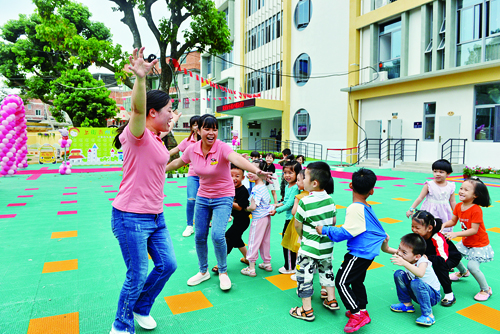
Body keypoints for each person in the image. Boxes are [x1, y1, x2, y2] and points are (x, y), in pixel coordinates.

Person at [109, 47, 177, 334]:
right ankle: (121, 326)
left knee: (167, 265)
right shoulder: (136, 134)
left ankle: (141, 307)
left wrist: (180, 144)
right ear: (152, 112)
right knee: (136, 275)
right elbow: (137, 110)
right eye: (168, 110)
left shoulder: (157, 140)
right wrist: (140, 77)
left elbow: (159, 167)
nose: (172, 114)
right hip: (130, 216)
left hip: (155, 216)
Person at [165, 114, 273, 291]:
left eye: (214, 129)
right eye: (207, 128)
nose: (211, 132)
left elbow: (237, 158)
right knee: (200, 235)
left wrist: (257, 170)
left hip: (223, 197)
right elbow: (178, 162)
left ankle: (223, 272)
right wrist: (160, 168)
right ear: (198, 130)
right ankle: (203, 271)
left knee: (217, 235)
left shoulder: (222, 147)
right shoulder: (193, 149)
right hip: (202, 197)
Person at [315, 168, 386, 333]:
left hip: (359, 253)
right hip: (367, 252)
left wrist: (324, 229)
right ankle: (362, 310)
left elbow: (345, 233)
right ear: (372, 191)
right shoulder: (366, 206)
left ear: (350, 185)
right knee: (356, 280)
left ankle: (356, 314)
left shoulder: (355, 208)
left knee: (341, 281)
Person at [289, 162, 338, 322]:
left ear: (314, 183)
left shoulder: (305, 202)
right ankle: (331, 299)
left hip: (309, 248)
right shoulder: (331, 201)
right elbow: (334, 221)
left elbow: (297, 223)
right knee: (327, 271)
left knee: (304, 275)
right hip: (326, 248)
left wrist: (301, 235)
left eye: (305, 177)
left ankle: (306, 310)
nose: (302, 180)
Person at [442, 177, 494, 301]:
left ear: (475, 195)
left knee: (473, 267)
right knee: (452, 255)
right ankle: (463, 272)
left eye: (466, 190)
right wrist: (443, 225)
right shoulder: (459, 206)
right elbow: (453, 221)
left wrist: (455, 234)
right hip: (467, 241)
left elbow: (473, 230)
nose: (461, 191)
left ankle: (486, 289)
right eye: (461, 188)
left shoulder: (476, 210)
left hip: (479, 244)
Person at [381, 233, 441, 327]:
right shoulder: (404, 255)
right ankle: (406, 304)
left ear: (417, 256)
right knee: (399, 274)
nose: (399, 253)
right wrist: (385, 242)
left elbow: (420, 273)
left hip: (433, 296)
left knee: (416, 283)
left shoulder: (423, 261)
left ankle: (428, 315)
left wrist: (404, 263)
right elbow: (386, 249)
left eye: (404, 252)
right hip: (417, 289)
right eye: (399, 248)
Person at [410, 210, 461, 306]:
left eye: (417, 227)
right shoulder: (419, 235)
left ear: (429, 228)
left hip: (450, 257)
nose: (413, 230)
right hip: (432, 254)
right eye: (412, 226)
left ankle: (449, 293)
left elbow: (442, 259)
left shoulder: (437, 238)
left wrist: (427, 258)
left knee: (440, 267)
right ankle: (464, 271)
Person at [212, 164, 251, 273]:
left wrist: (228, 200)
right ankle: (248, 259)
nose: (234, 178)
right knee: (237, 240)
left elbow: (239, 207)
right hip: (237, 220)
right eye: (231, 176)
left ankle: (220, 264)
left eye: (237, 176)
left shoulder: (243, 191)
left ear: (243, 178)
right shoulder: (230, 189)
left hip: (243, 221)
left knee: (228, 238)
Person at [241, 159, 274, 277]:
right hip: (266, 218)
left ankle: (251, 268)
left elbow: (253, 207)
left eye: (253, 170)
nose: (250, 173)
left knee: (253, 241)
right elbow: (269, 200)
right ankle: (267, 263)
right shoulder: (263, 187)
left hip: (258, 219)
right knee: (265, 241)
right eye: (249, 169)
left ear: (261, 172)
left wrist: (245, 208)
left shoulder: (255, 189)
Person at [169, 115, 200, 237]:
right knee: (191, 200)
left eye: (199, 124)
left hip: (207, 176)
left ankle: (207, 221)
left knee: (208, 200)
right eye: (194, 124)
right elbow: (175, 150)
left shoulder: (206, 140)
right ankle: (189, 225)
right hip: (193, 175)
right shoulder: (188, 141)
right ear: (191, 127)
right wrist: (161, 155)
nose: (196, 127)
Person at [406, 159, 456, 233]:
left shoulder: (450, 186)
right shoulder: (429, 185)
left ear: (448, 173)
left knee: (442, 229)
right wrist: (411, 209)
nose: (437, 174)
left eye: (441, 172)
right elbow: (420, 198)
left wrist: (457, 213)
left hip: (444, 211)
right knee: (428, 228)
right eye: (435, 171)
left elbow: (452, 201)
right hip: (430, 210)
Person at [270, 160, 301, 275]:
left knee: (287, 241)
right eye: (285, 172)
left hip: (292, 219)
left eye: (290, 173)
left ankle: (290, 266)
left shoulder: (296, 188)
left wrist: (276, 210)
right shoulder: (289, 186)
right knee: (289, 241)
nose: (287, 175)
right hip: (289, 218)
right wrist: (277, 204)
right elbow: (286, 201)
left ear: (298, 174)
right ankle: (292, 264)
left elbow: (289, 204)